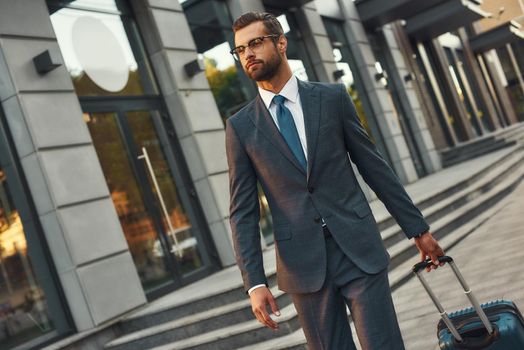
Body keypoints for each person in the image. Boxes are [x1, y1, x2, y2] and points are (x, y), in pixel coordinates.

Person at [225, 11, 445, 350]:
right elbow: (243, 211)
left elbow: (374, 168)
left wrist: (418, 229)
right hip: (303, 266)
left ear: (281, 43)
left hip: (358, 248)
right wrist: (254, 283)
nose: (248, 54)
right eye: (240, 50)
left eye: (255, 43)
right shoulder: (240, 127)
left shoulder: (331, 98)